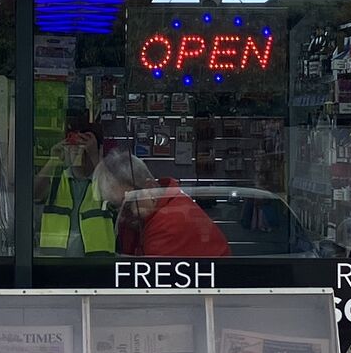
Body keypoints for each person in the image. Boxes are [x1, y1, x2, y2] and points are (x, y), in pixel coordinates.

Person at [92, 149, 229, 259]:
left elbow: (148, 279)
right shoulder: (153, 214)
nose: (122, 216)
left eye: (128, 204)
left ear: (150, 187)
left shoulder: (169, 222)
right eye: (115, 208)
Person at [34, 108, 116, 254]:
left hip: (96, 263)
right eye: (73, 146)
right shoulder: (57, 179)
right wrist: (53, 160)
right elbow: (34, 194)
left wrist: (94, 156)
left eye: (83, 147)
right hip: (55, 263)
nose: (78, 152)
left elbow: (114, 200)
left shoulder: (102, 181)